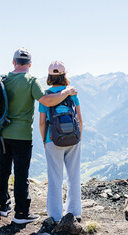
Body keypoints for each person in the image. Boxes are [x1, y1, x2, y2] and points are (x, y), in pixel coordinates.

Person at [0, 48, 78, 224]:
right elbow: (47, 101)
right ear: (30, 64)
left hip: (2, 133)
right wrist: (66, 92)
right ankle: (21, 214)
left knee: (3, 169)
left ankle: (3, 206)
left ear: (13, 62)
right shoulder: (31, 81)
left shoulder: (3, 79)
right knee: (20, 173)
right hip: (22, 135)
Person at [39, 61, 83, 222]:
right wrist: (79, 137)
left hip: (53, 139)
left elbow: (42, 122)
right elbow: (79, 118)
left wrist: (44, 139)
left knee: (55, 177)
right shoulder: (72, 93)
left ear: (49, 76)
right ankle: (74, 212)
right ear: (64, 76)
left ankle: (55, 215)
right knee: (74, 176)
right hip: (73, 138)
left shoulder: (46, 95)